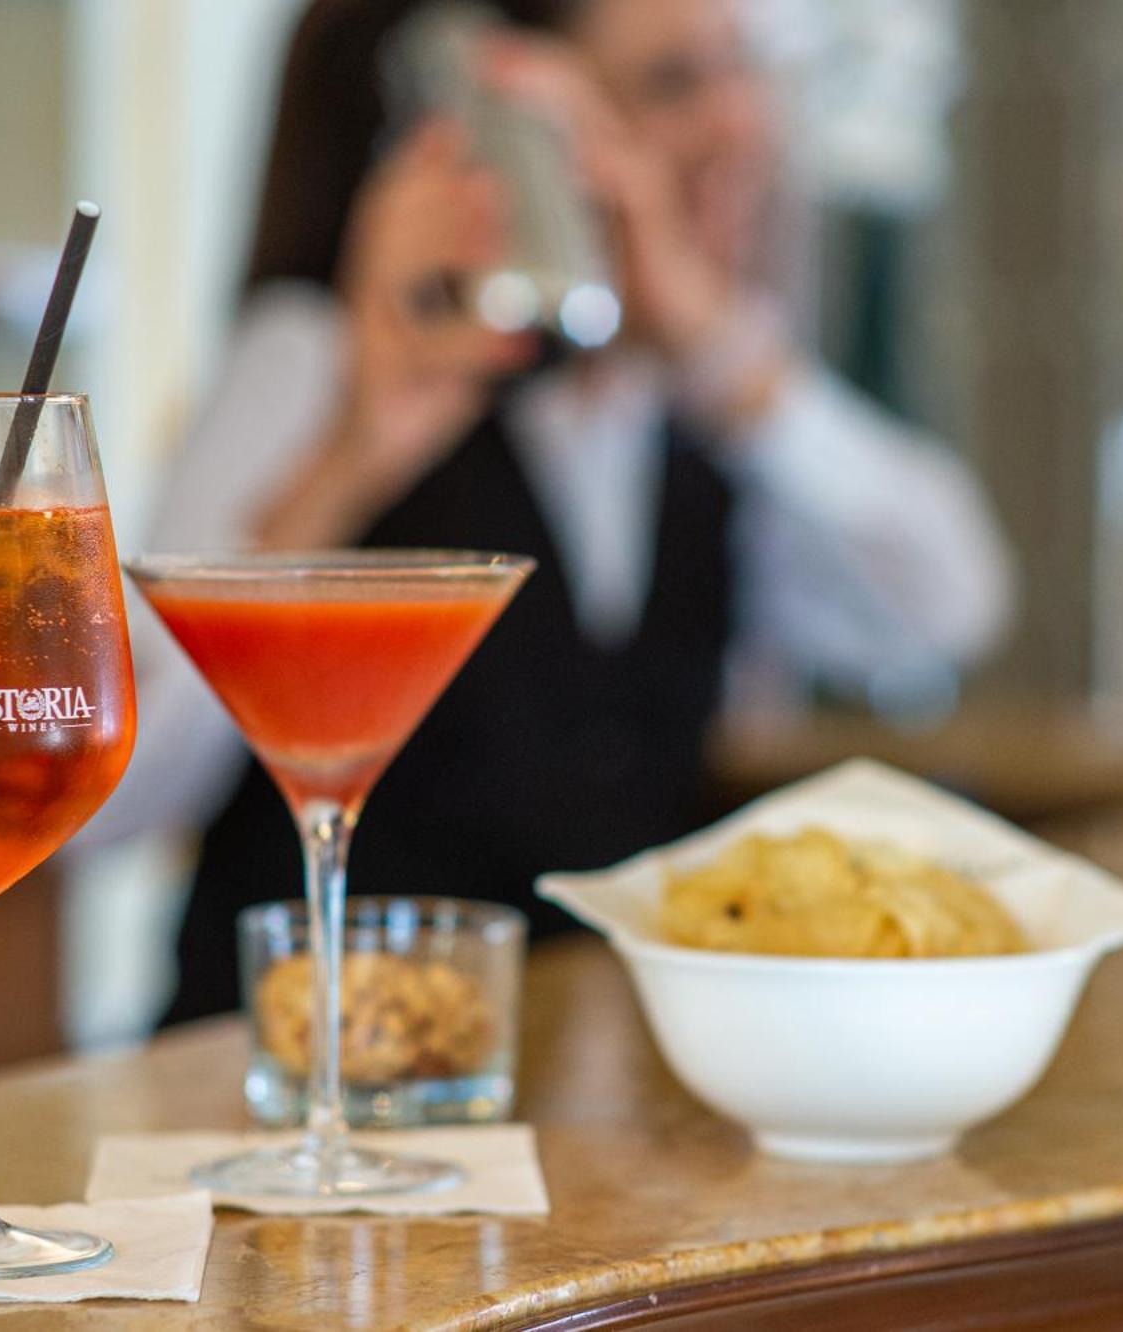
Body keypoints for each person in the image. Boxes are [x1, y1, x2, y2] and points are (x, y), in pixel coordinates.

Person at [90, 0, 1014, 1024]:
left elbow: (948, 606)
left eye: (739, 71)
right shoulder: (316, 357)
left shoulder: (705, 415)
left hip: (573, 1116)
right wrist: (350, 454)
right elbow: (104, 800)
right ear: (507, 125)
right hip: (280, 1073)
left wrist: (722, 347)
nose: (743, 124)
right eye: (671, 85)